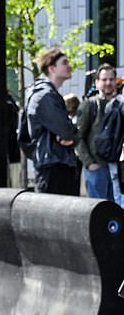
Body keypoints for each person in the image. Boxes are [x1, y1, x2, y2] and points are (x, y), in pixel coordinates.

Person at [24, 48, 77, 195]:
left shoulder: (43, 94)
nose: (69, 66)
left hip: (53, 163)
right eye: (64, 63)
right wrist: (73, 136)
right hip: (54, 165)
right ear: (52, 68)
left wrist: (70, 137)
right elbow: (67, 131)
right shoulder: (45, 96)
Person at [75, 64, 123, 203]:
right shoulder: (89, 105)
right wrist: (89, 163)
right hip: (97, 168)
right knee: (99, 213)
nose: (108, 83)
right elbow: (78, 137)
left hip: (117, 167)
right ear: (97, 83)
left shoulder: (120, 104)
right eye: (104, 79)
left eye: (111, 79)